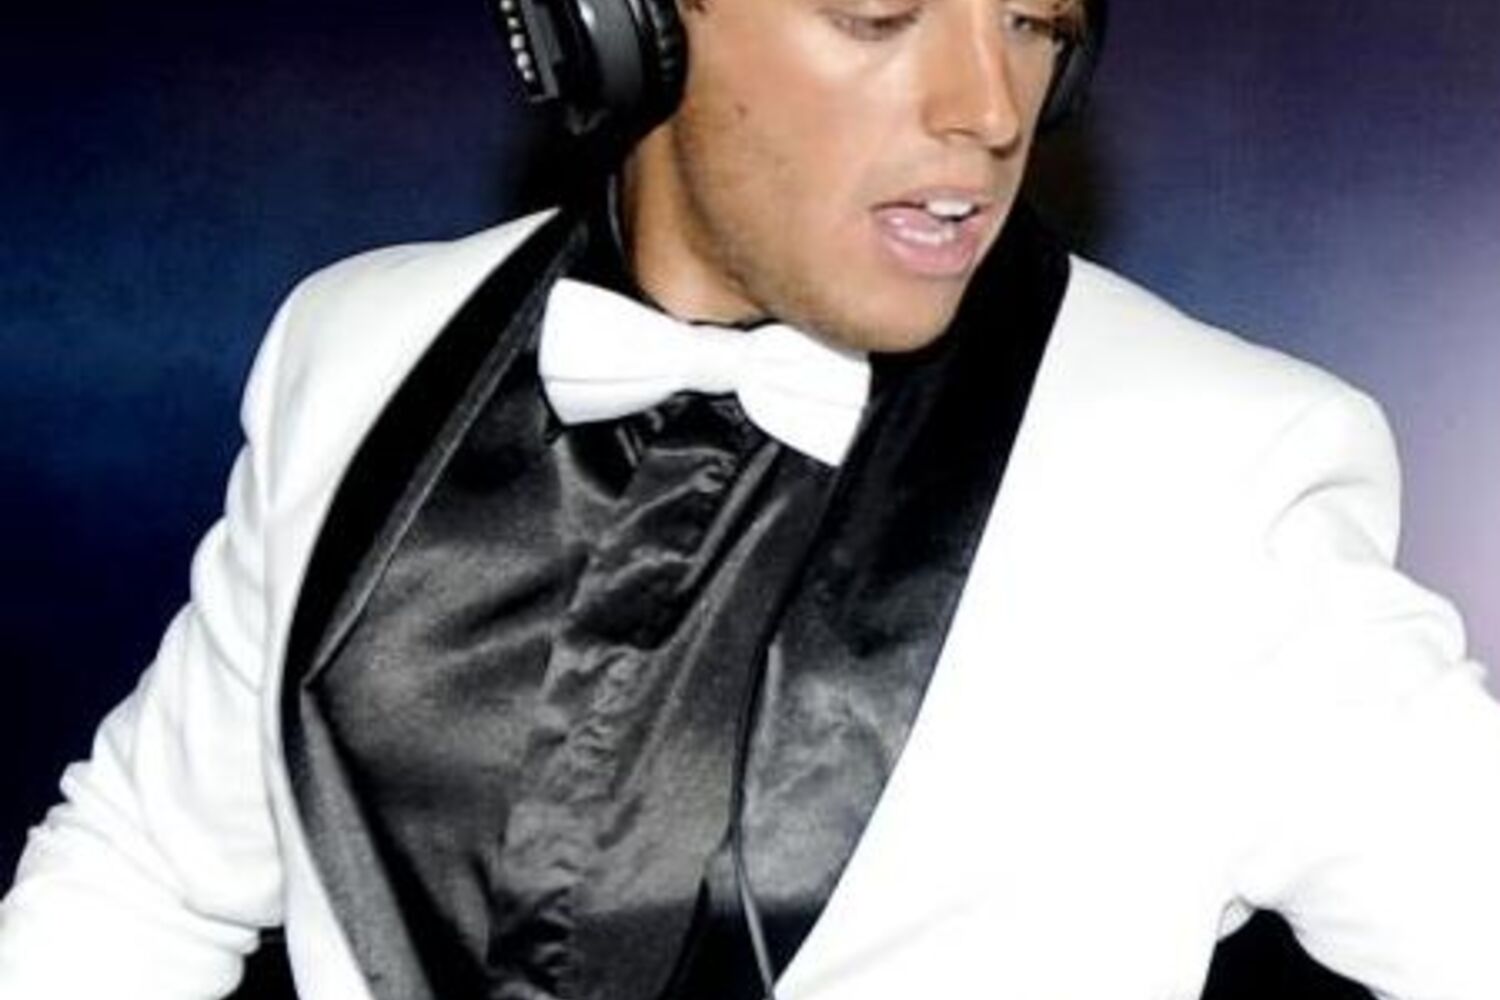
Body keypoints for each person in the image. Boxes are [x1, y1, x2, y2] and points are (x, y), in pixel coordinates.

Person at [3, 0, 1499, 998]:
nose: (989, 106)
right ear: (623, 23)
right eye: (877, 13)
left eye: (1035, 21)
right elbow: (139, 881)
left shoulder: (1220, 472)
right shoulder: (357, 346)